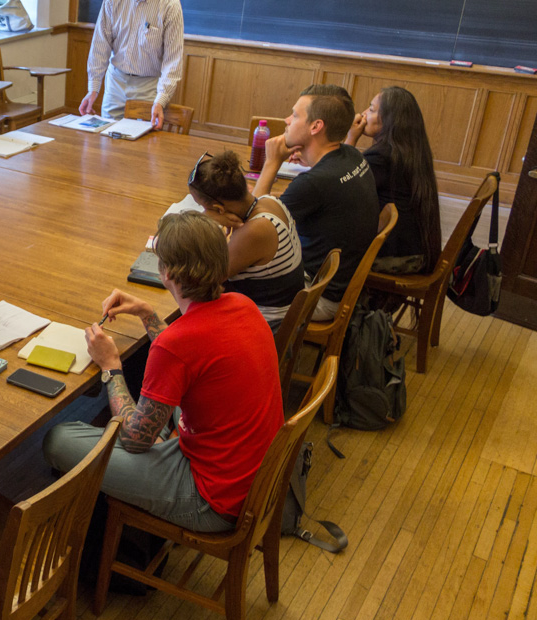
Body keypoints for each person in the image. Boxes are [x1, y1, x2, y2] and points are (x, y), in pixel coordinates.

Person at [43, 212, 283, 533]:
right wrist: (147, 313)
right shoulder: (243, 304)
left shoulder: (175, 345)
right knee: (149, 417)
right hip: (253, 475)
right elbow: (191, 358)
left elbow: (133, 440)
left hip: (212, 499)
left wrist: (111, 368)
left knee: (57, 439)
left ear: (166, 272)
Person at [253, 84, 378, 320]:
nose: (287, 119)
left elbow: (254, 227)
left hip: (316, 297)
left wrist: (271, 164)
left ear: (316, 126)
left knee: (225, 283)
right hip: (338, 285)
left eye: (295, 115)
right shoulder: (352, 156)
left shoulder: (314, 183)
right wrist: (310, 158)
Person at [187, 150, 304, 329]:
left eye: (203, 207)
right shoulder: (269, 201)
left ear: (218, 209)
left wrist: (205, 221)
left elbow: (202, 281)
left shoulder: (254, 232)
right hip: (284, 313)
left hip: (270, 328)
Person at [79, 0, 184, 127]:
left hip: (148, 87)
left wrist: (161, 100)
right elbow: (100, 45)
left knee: (141, 148)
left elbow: (173, 61)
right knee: (106, 144)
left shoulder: (170, 3)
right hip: (116, 82)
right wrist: (93, 88)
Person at [345, 86, 441, 274]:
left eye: (371, 110)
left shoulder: (383, 157)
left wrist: (350, 140)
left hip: (398, 256)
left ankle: (340, 300)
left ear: (389, 121)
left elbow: (343, 185)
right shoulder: (408, 150)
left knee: (326, 249)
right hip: (417, 251)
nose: (363, 114)